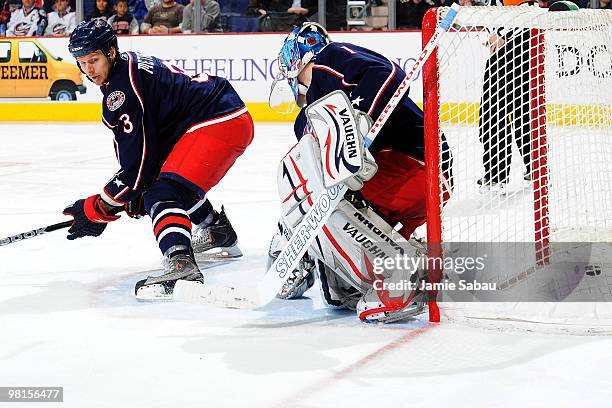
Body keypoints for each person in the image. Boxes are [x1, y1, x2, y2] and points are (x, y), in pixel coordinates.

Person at [267, 23, 453, 323]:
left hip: (413, 168)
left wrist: (362, 119)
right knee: (338, 293)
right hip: (404, 187)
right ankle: (376, 275)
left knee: (298, 175)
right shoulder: (310, 115)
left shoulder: (329, 59)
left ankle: (399, 274)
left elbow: (388, 73)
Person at [63, 19, 254, 299]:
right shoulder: (127, 67)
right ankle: (217, 231)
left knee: (162, 192)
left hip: (218, 121)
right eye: (82, 62)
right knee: (171, 181)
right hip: (218, 115)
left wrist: (101, 205)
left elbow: (135, 170)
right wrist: (130, 193)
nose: (89, 70)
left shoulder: (121, 92)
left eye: (94, 60)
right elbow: (149, 152)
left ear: (111, 52)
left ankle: (181, 263)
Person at [477, 0, 536, 194]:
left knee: (523, 115)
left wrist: (502, 35)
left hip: (521, 54)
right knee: (491, 115)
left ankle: (536, 167)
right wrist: (494, 35)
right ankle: (495, 173)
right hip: (498, 57)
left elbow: (530, 10)